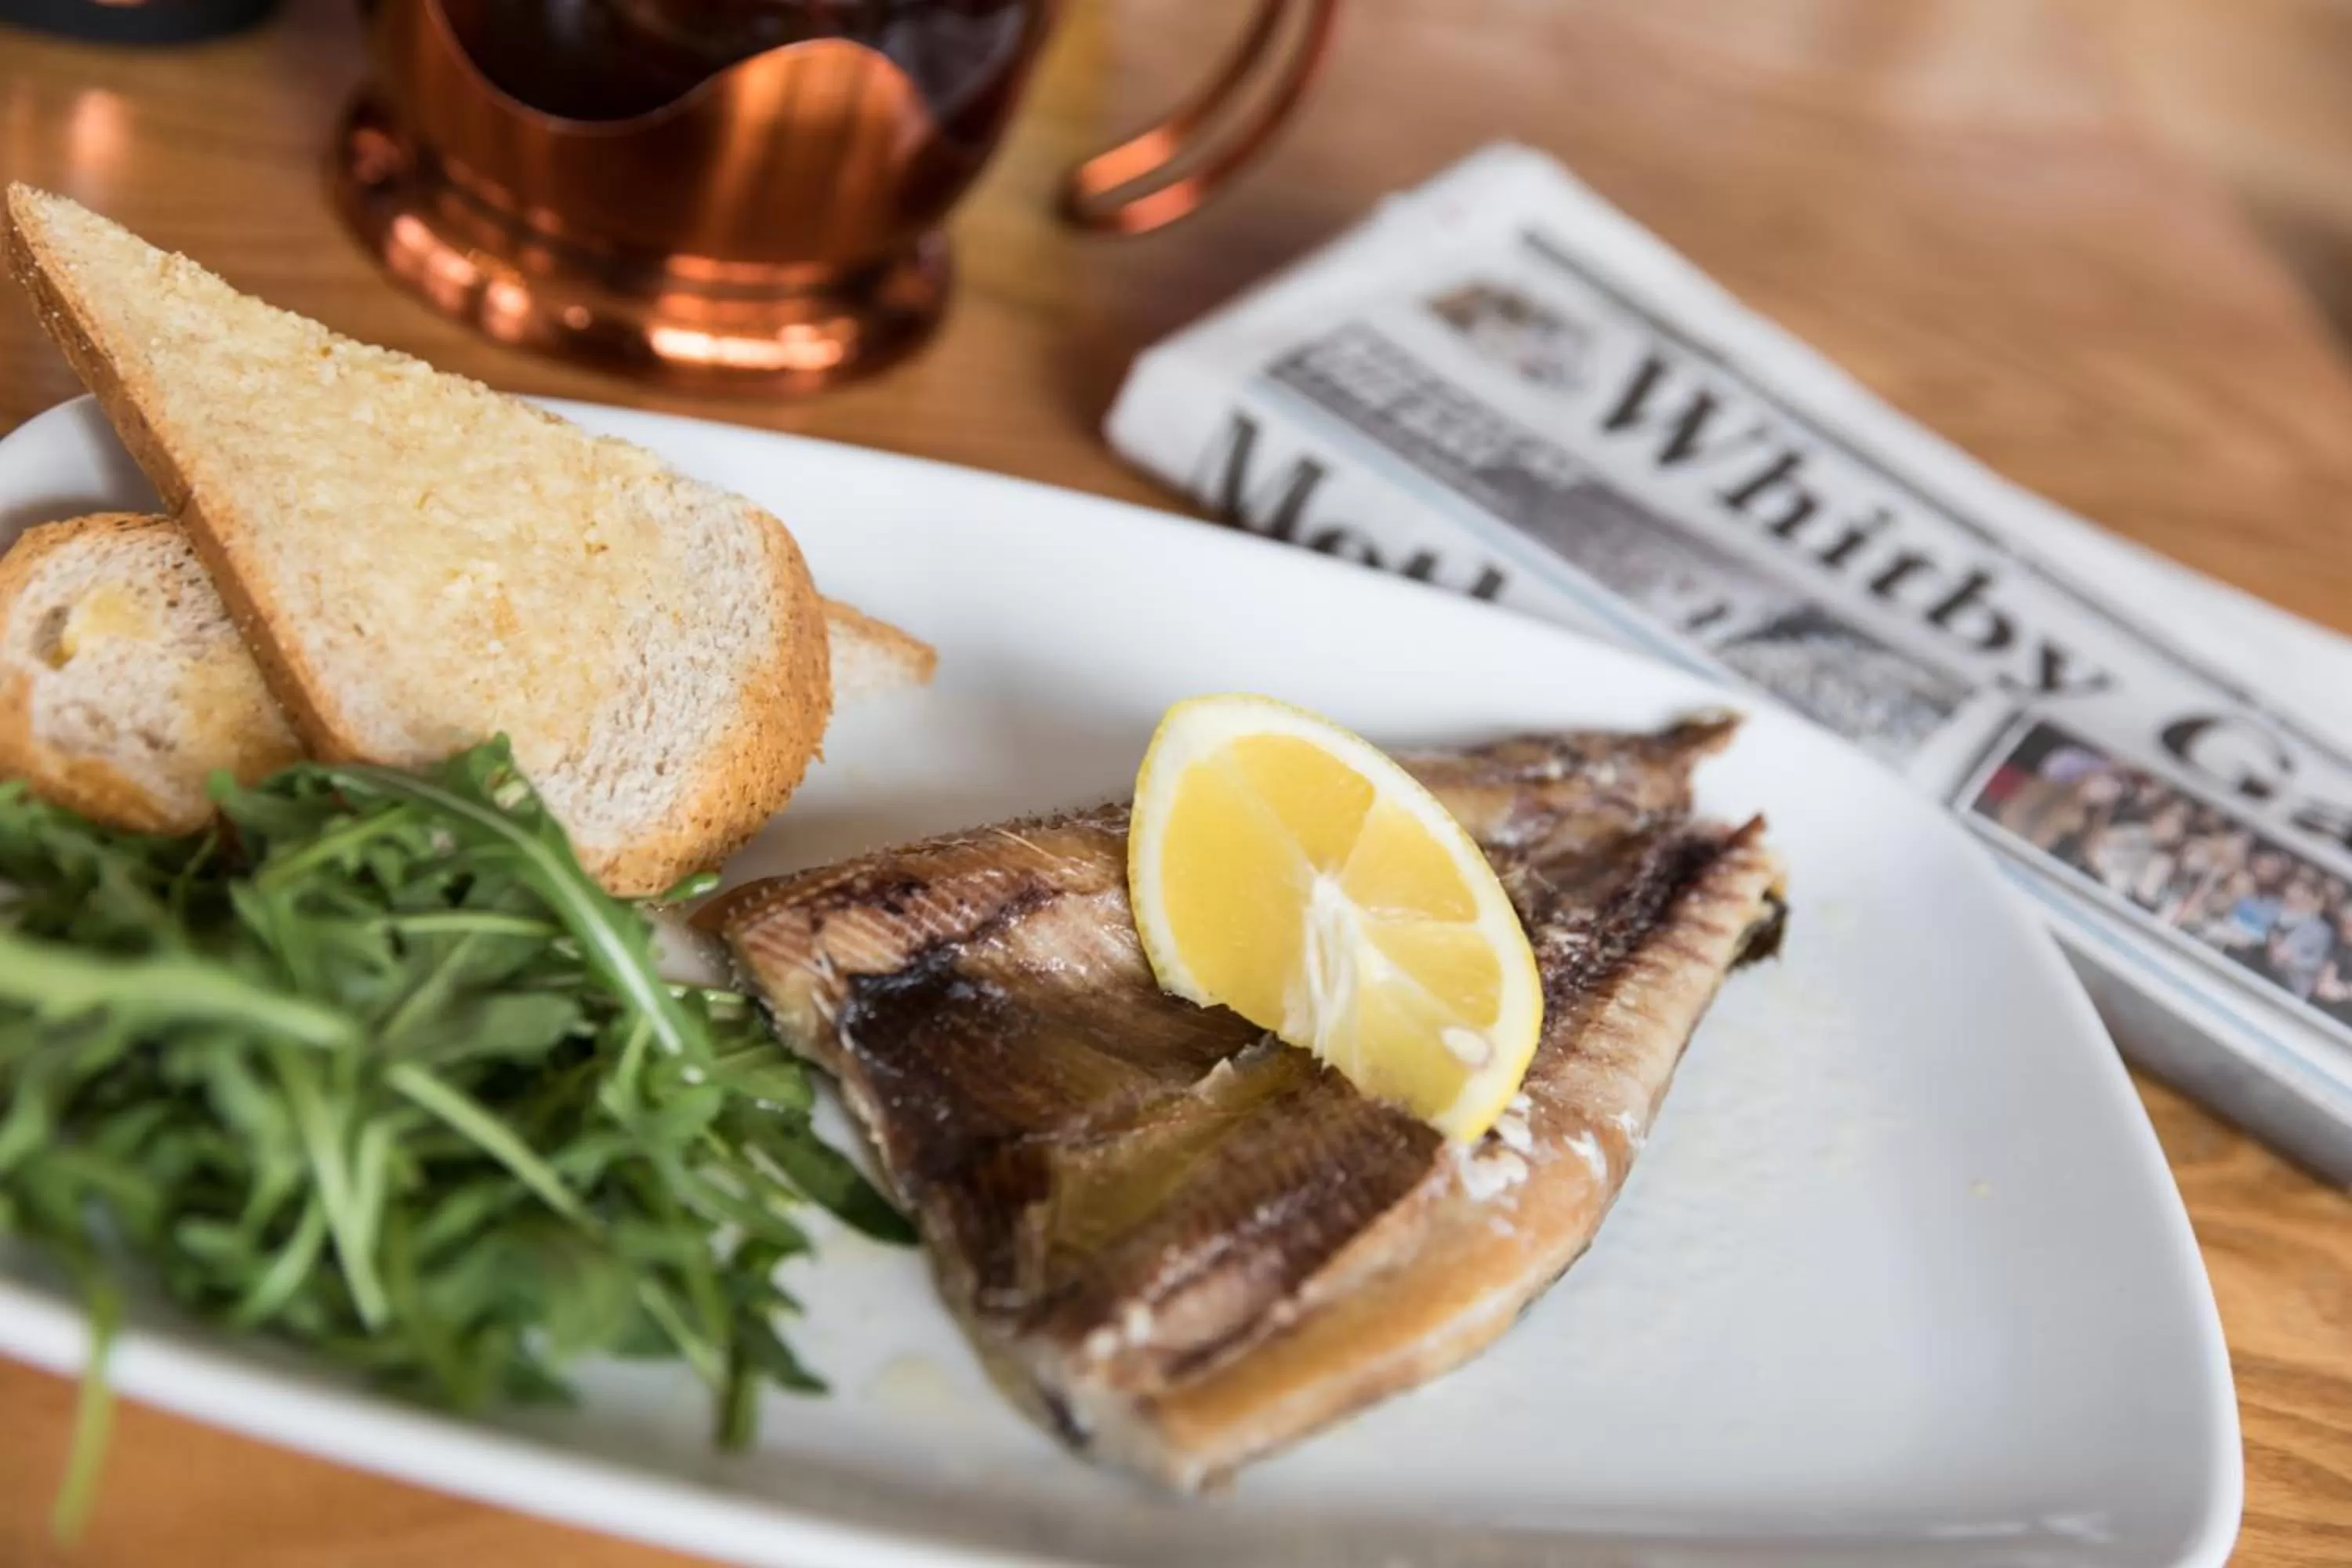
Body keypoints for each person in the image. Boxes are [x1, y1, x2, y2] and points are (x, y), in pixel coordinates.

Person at [2264, 877, 2336, 1001]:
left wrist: (2292, 960)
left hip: (2293, 987)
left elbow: (2318, 962)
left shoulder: (2322, 931)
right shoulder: (2279, 911)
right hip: (2264, 973)